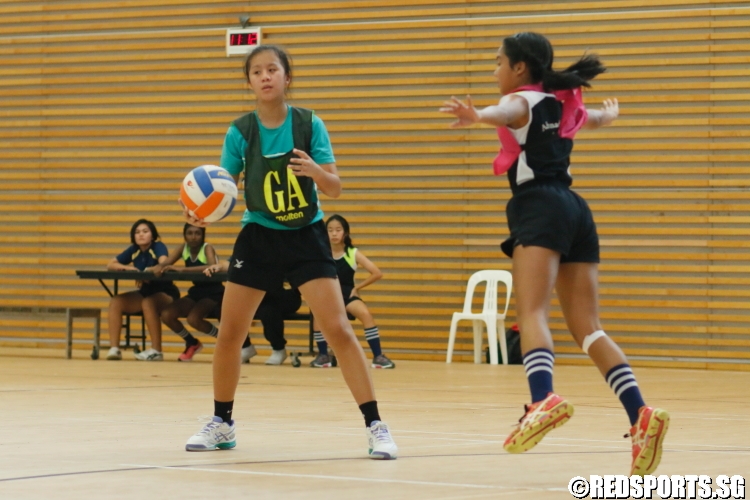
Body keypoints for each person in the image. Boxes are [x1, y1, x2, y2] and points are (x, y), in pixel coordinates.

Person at [439, 32, 669, 476]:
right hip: (575, 210)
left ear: (520, 68)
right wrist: (610, 114)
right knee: (588, 328)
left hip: (538, 206)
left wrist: (477, 115)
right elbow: (595, 119)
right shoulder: (564, 104)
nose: (494, 71)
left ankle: (543, 398)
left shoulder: (522, 99)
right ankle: (640, 414)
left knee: (531, 314)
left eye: (498, 63)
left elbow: (504, 112)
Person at [182, 44, 397, 459]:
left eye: (272, 70)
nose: (265, 77)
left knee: (338, 328)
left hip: (306, 236)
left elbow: (334, 187)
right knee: (230, 333)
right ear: (248, 81)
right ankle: (222, 423)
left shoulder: (309, 124)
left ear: (287, 77)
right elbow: (223, 187)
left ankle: (376, 425)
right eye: (257, 71)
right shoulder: (240, 131)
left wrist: (316, 172)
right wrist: (199, 209)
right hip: (258, 237)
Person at [156, 224, 257, 363]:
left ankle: (228, 344)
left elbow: (211, 267)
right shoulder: (183, 248)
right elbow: (165, 263)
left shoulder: (207, 248)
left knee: (194, 319)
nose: (193, 237)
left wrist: (183, 270)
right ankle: (192, 343)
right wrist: (150, 269)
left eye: (197, 233)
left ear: (203, 235)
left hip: (213, 292)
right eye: (190, 233)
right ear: (184, 235)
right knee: (167, 314)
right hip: (196, 291)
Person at [310, 214, 395, 369]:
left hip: (347, 295)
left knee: (366, 315)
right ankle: (323, 356)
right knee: (317, 316)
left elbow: (377, 273)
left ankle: (378, 356)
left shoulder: (352, 253)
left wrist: (357, 288)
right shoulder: (321, 252)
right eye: (330, 230)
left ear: (345, 233)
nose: (334, 233)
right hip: (329, 297)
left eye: (338, 230)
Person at [105, 219, 180, 361]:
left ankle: (156, 351)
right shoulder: (134, 250)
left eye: (145, 232)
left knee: (148, 303)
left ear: (152, 235)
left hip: (166, 293)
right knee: (116, 301)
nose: (141, 235)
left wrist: (146, 272)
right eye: (137, 232)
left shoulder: (158, 246)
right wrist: (130, 269)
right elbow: (110, 264)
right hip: (145, 292)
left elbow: (164, 264)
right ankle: (114, 348)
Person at [204, 259, 301, 365]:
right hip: (259, 295)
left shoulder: (284, 247)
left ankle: (278, 349)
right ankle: (246, 347)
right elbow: (233, 263)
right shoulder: (250, 247)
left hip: (285, 294)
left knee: (268, 310)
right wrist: (220, 266)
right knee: (225, 308)